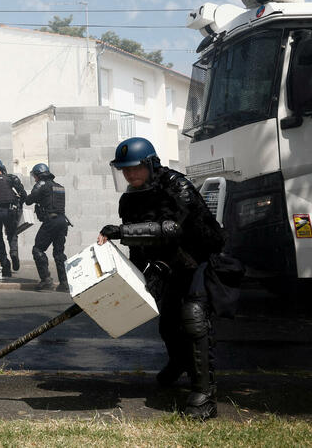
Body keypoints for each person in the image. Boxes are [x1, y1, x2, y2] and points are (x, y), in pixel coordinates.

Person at [97, 137, 225, 420]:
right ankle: (179, 362)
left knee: (192, 316)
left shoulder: (176, 185)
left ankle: (205, 394)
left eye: (135, 168)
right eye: (125, 170)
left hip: (198, 259)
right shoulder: (130, 198)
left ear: (151, 164)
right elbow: (138, 247)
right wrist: (136, 278)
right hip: (167, 264)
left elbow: (171, 228)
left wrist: (121, 232)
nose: (130, 175)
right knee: (167, 321)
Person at [23, 163, 70, 292]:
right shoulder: (59, 187)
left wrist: (24, 196)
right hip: (62, 221)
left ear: (38, 175)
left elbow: (29, 200)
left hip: (51, 221)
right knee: (59, 253)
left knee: (37, 250)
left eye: (35, 176)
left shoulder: (42, 184)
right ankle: (64, 283)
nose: (35, 179)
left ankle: (46, 281)